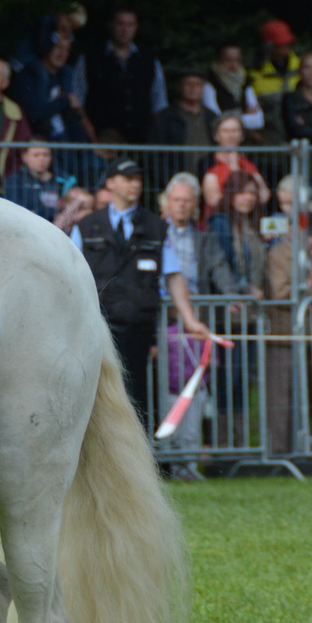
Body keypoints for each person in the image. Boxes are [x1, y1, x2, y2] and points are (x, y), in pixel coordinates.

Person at [71, 160, 211, 431]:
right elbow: (70, 273)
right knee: (94, 398)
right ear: (110, 183)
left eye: (138, 178)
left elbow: (173, 275)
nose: (135, 184)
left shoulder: (156, 227)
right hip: (96, 326)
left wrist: (190, 320)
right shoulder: (87, 226)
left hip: (138, 327)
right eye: (127, 178)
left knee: (135, 398)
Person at [159, 173, 239, 476]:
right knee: (166, 388)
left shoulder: (205, 239)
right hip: (163, 324)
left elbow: (220, 269)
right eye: (176, 200)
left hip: (196, 325)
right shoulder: (154, 236)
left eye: (187, 201)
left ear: (195, 206)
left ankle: (188, 459)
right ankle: (170, 457)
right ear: (167, 202)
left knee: (196, 389)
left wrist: (232, 298)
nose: (181, 206)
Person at [74, 8, 168, 145]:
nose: (125, 30)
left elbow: (159, 103)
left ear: (136, 27)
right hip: (102, 140)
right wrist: (91, 135)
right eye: (120, 24)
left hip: (142, 140)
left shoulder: (149, 59)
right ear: (111, 25)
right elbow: (77, 100)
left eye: (130, 25)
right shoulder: (90, 58)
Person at [11, 28, 91, 161]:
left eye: (67, 49)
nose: (62, 53)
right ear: (47, 48)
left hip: (67, 146)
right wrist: (65, 101)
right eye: (58, 47)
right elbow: (34, 113)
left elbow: (74, 115)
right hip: (41, 148)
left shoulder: (65, 76)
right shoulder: (29, 76)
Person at [149, 71, 220, 181]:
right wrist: (167, 178)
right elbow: (155, 153)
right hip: (178, 179)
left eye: (197, 84)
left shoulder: (211, 117)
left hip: (209, 178)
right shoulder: (165, 117)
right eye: (188, 84)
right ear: (180, 87)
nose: (193, 88)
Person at [201, 112, 271, 214]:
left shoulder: (251, 162)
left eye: (235, 131)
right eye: (225, 131)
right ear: (216, 135)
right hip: (219, 218)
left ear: (242, 136)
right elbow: (212, 200)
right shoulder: (206, 163)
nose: (230, 135)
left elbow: (264, 194)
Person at [248, 20, 302, 143]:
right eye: (280, 44)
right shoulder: (255, 74)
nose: (285, 48)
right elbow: (249, 109)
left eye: (287, 43)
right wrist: (251, 133)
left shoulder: (301, 68)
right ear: (268, 47)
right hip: (268, 141)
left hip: (298, 140)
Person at [203, 42, 265, 135]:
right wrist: (244, 116)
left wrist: (229, 117)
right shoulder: (210, 83)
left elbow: (258, 120)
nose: (233, 64)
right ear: (218, 60)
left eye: (237, 59)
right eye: (228, 60)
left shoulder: (245, 81)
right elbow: (215, 119)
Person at [2, 142, 73, 221]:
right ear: (24, 157)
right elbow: (16, 211)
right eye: (36, 155)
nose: (41, 159)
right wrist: (55, 211)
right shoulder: (14, 181)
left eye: (46, 155)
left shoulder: (64, 180)